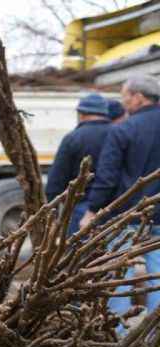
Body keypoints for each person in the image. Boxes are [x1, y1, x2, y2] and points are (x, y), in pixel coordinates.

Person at [80, 75, 160, 328]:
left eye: (125, 96)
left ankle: (117, 332)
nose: (123, 102)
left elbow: (107, 176)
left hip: (128, 214)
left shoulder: (123, 129)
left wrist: (92, 210)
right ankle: (155, 336)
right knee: (158, 273)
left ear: (138, 97)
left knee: (117, 274)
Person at [45, 93, 112, 235]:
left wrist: (53, 215)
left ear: (80, 113)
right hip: (115, 208)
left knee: (79, 254)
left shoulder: (73, 138)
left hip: (81, 210)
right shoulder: (119, 133)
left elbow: (55, 181)